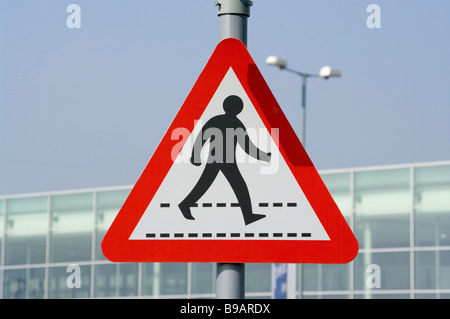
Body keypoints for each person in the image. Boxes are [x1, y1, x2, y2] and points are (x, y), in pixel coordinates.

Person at [178, 95, 271, 225]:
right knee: (236, 186)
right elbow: (247, 147)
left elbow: (201, 139)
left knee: (207, 184)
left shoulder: (216, 120)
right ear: (239, 109)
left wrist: (195, 156)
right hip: (223, 160)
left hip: (221, 159)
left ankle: (185, 204)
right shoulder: (236, 123)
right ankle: (248, 216)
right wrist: (264, 156)